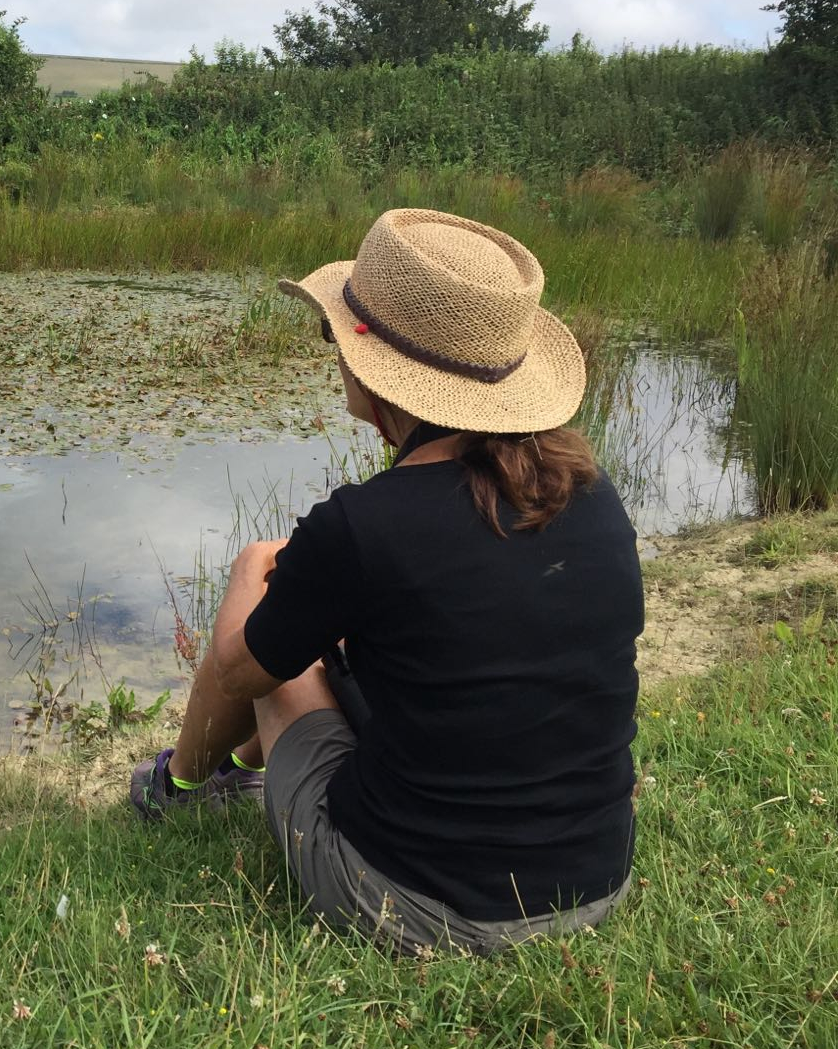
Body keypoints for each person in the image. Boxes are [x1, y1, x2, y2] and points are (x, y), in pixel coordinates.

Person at [129, 208, 643, 955]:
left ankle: (176, 786)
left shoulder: (363, 526)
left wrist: (271, 586)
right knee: (326, 611)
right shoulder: (594, 496)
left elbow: (242, 671)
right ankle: (233, 773)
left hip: (422, 905)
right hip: (593, 885)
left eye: (334, 335)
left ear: (369, 366)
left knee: (261, 592)